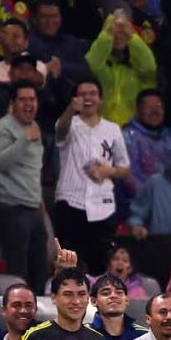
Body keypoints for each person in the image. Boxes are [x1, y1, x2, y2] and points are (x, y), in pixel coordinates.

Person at [54, 78, 131, 274]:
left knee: (100, 265)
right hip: (71, 202)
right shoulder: (69, 124)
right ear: (75, 99)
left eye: (93, 94)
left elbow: (124, 167)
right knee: (70, 265)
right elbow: (60, 132)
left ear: (100, 100)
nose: (88, 98)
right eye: (83, 94)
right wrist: (71, 110)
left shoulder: (112, 129)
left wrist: (108, 171)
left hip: (102, 205)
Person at [0, 80, 49, 290]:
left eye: (32, 99)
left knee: (40, 269)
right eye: (23, 100)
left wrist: (40, 203)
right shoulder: (2, 128)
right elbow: (0, 162)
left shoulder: (34, 127)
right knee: (18, 272)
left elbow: (33, 170)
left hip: (33, 208)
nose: (28, 104)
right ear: (13, 103)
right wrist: (24, 139)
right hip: (11, 209)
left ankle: (39, 318)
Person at [85, 11, 156, 126]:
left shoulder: (138, 67)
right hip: (101, 128)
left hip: (134, 130)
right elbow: (88, 66)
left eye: (123, 32)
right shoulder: (101, 66)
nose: (118, 36)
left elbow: (149, 67)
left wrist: (132, 37)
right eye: (114, 32)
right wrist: (108, 34)